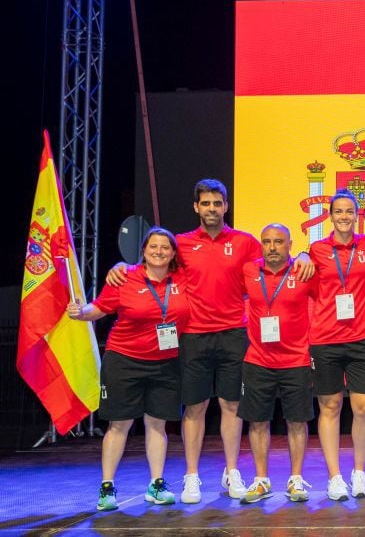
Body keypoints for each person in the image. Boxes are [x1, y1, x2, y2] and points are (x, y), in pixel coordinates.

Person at [107, 179, 314, 503]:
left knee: (231, 405)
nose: (212, 209)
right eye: (206, 203)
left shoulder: (245, 242)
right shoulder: (184, 244)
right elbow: (153, 267)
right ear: (196, 207)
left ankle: (232, 471)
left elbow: (279, 256)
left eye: (218, 203)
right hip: (193, 336)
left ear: (226, 206)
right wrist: (123, 266)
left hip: (234, 334)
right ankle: (192, 476)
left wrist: (302, 253)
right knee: (195, 406)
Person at [69, 227, 189, 510]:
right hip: (124, 361)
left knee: (157, 424)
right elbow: (99, 308)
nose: (159, 251)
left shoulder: (183, 279)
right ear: (144, 251)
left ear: (173, 254)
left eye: (165, 248)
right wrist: (80, 313)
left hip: (166, 363)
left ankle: (157, 484)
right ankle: (107, 488)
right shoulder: (124, 278)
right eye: (153, 247)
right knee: (119, 424)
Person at [237, 224, 316, 504]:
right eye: (267, 241)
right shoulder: (248, 271)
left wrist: (306, 255)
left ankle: (295, 479)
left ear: (290, 244)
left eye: (279, 242)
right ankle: (261, 480)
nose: (272, 247)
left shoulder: (304, 271)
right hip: (258, 360)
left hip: (296, 359)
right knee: (258, 422)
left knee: (296, 422)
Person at [309, 188, 365, 500]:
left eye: (350, 211)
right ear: (331, 215)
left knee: (363, 407)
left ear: (357, 215)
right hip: (325, 338)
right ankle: (334, 476)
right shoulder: (316, 249)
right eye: (339, 211)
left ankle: (359, 471)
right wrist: (299, 256)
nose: (344, 216)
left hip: (362, 336)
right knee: (331, 405)